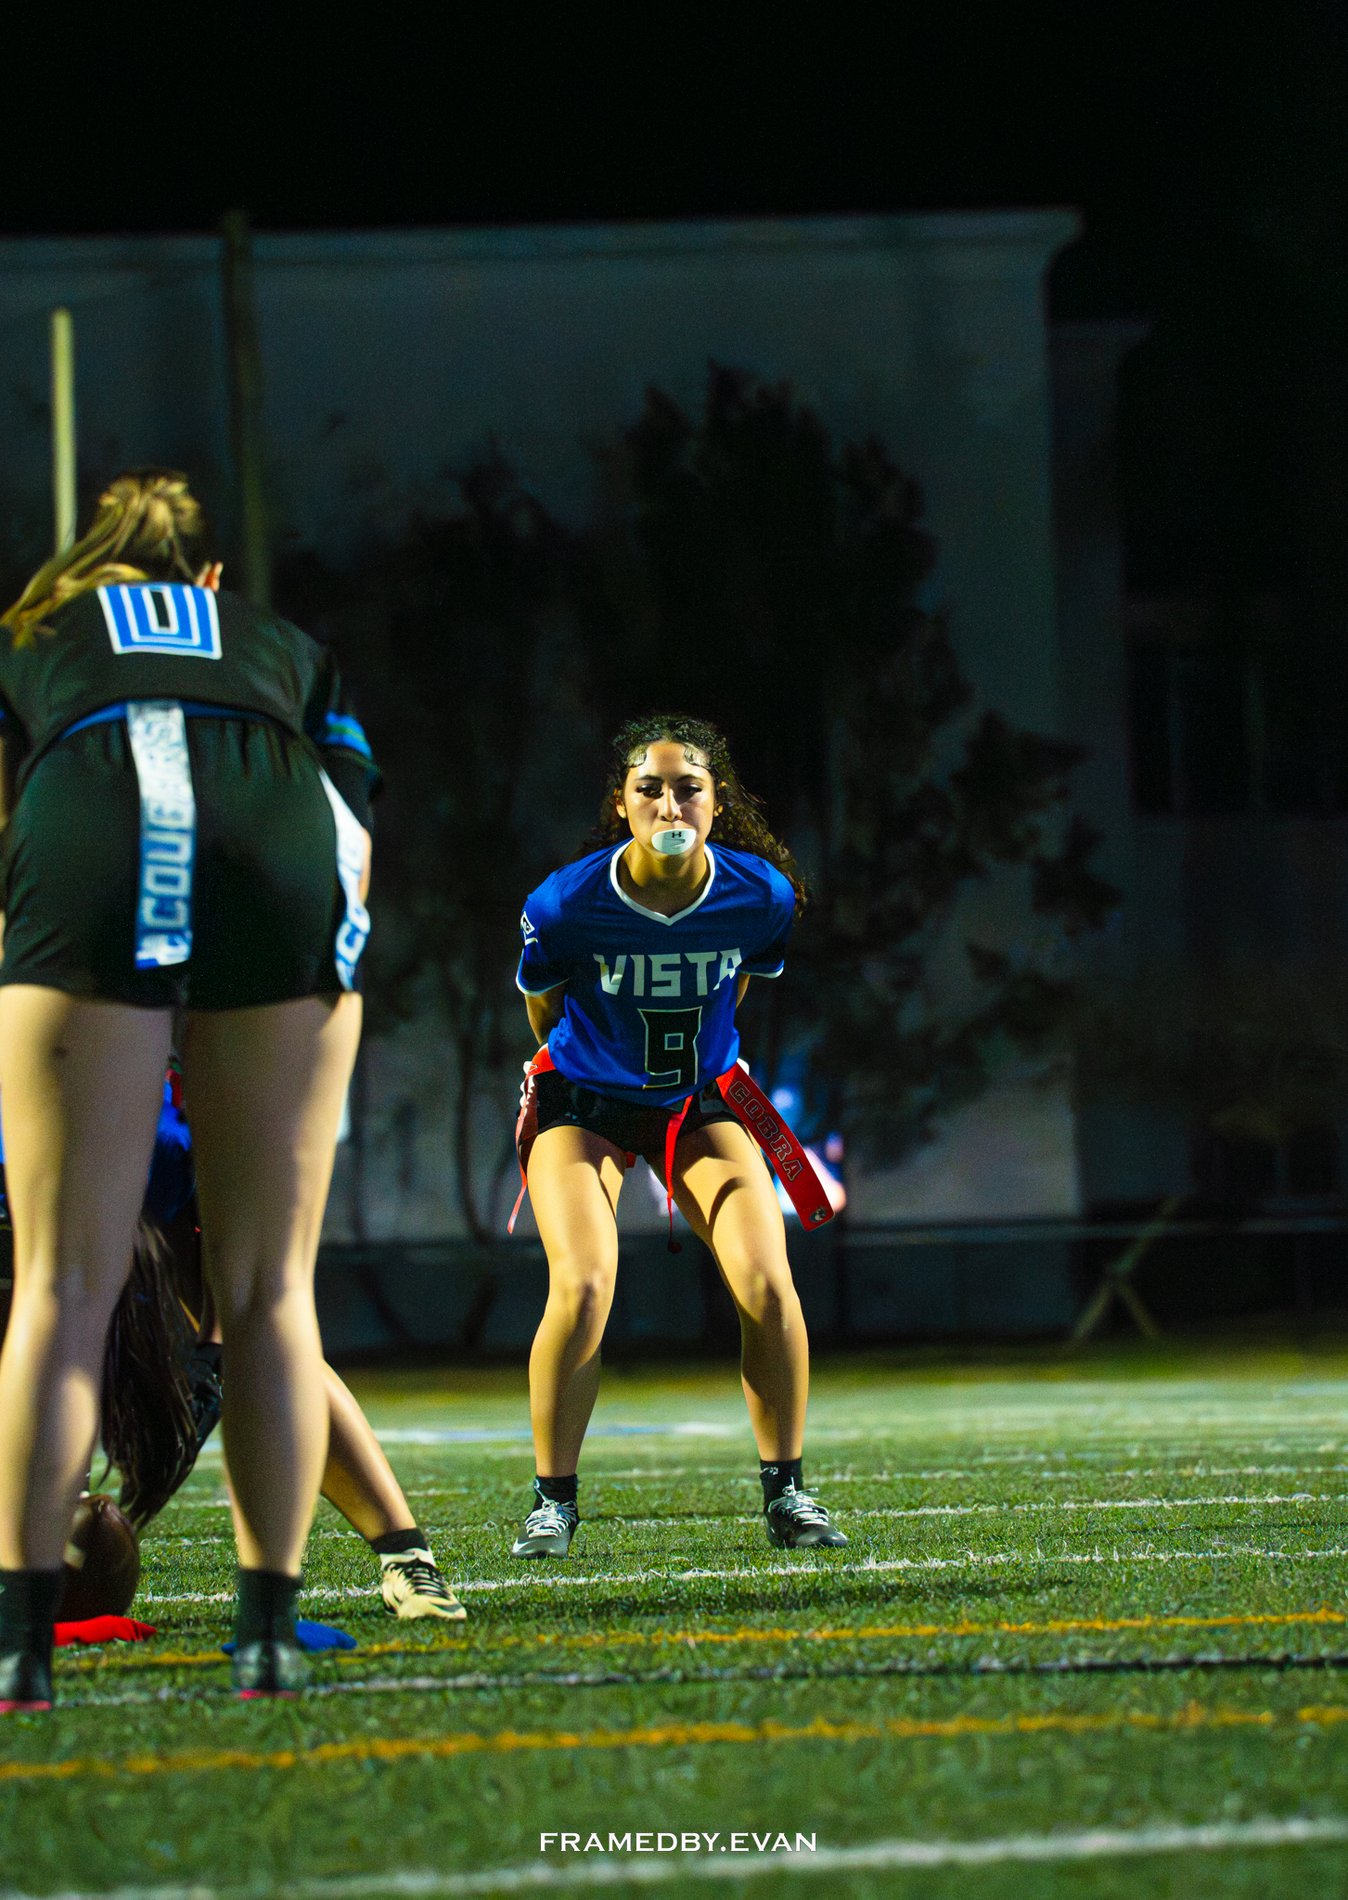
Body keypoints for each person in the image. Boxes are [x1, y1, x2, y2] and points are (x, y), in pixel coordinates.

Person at [0, 469, 373, 1709]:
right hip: (281, 839)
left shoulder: (36, 630)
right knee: (269, 1289)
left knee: (64, 1282)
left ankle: (20, 1648)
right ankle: (266, 1633)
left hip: (91, 813)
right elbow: (354, 831)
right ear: (207, 579)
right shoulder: (281, 644)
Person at [509, 712, 847, 1559]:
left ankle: (788, 1494)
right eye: (649, 788)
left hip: (698, 1100)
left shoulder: (760, 895)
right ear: (622, 804)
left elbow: (735, 990)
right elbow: (543, 1006)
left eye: (688, 787)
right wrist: (574, 1074)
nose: (669, 804)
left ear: (717, 800)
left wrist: (702, 1070)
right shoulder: (566, 902)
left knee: (768, 1283)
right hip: (586, 1101)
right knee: (584, 1285)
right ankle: (553, 1501)